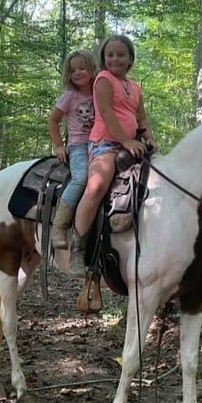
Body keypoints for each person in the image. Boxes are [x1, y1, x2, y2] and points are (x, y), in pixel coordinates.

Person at [69, 34, 157, 276]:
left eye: (121, 54)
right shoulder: (103, 79)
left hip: (131, 145)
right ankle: (77, 245)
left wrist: (148, 137)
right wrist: (125, 140)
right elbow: (106, 112)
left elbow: (142, 118)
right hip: (104, 144)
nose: (115, 58)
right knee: (97, 185)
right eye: (110, 55)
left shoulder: (136, 87)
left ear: (130, 59)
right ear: (104, 59)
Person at [46, 49, 99, 249]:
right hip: (78, 145)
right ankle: (59, 225)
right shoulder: (69, 96)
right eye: (72, 70)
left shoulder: (99, 92)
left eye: (82, 68)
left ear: (92, 69)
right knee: (82, 177)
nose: (77, 73)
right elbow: (53, 121)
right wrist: (59, 145)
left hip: (100, 144)